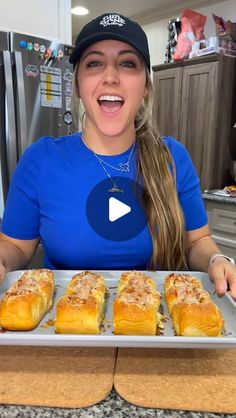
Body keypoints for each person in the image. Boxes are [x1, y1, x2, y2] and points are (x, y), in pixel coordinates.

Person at [0, 12, 235, 299]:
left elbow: (197, 240)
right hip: (61, 329)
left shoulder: (172, 157)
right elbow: (15, 246)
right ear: (77, 84)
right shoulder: (41, 160)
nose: (110, 77)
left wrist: (217, 261)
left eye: (127, 64)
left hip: (157, 329)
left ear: (146, 87)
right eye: (95, 63)